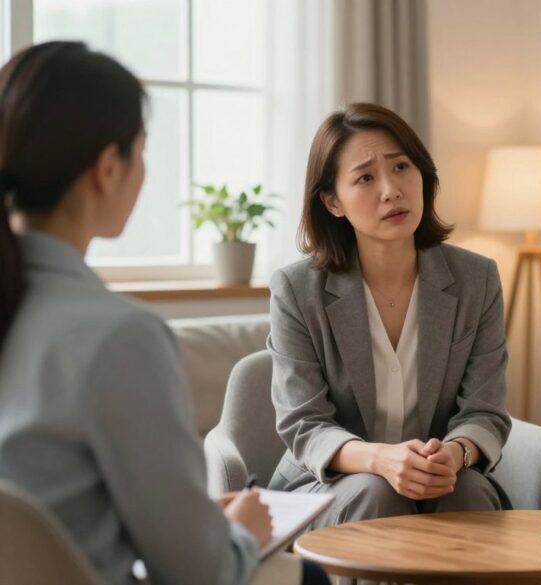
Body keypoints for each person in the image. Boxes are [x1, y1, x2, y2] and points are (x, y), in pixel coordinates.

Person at [0, 42, 328, 585]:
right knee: (306, 574)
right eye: (142, 150)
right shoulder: (119, 338)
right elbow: (200, 572)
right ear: (108, 168)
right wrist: (243, 528)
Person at [266, 103, 511, 527]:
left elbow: (484, 410)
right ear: (332, 202)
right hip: (334, 484)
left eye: (401, 167)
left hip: (443, 481)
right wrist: (380, 460)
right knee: (376, 491)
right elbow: (304, 424)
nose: (391, 190)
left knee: (468, 489)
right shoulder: (296, 290)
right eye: (365, 177)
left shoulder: (477, 279)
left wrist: (454, 455)